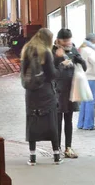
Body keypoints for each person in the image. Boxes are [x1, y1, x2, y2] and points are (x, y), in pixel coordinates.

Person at [21, 28, 62, 166]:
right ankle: (56, 156)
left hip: (31, 93)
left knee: (32, 122)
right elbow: (52, 75)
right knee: (51, 123)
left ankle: (32, 158)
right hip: (46, 93)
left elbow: (23, 73)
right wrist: (60, 63)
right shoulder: (46, 52)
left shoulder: (26, 50)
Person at [53, 28, 86, 159]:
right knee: (57, 121)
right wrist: (60, 63)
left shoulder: (73, 49)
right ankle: (57, 148)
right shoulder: (53, 51)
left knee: (69, 120)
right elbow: (50, 71)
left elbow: (83, 66)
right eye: (65, 40)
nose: (67, 42)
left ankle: (68, 147)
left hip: (71, 90)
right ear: (59, 39)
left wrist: (80, 61)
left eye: (69, 40)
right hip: (58, 91)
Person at [77, 33, 95, 130]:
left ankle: (81, 123)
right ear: (93, 40)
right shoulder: (89, 50)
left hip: (82, 78)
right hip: (90, 78)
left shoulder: (81, 49)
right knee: (90, 102)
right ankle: (88, 125)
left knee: (84, 102)